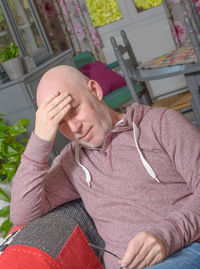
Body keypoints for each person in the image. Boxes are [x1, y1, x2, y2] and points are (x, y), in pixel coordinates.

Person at [10, 65, 200, 269]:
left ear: (95, 90)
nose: (74, 128)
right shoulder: (71, 163)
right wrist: (40, 139)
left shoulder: (161, 125)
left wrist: (167, 235)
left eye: (74, 109)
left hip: (185, 248)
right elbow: (23, 213)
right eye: (60, 123)